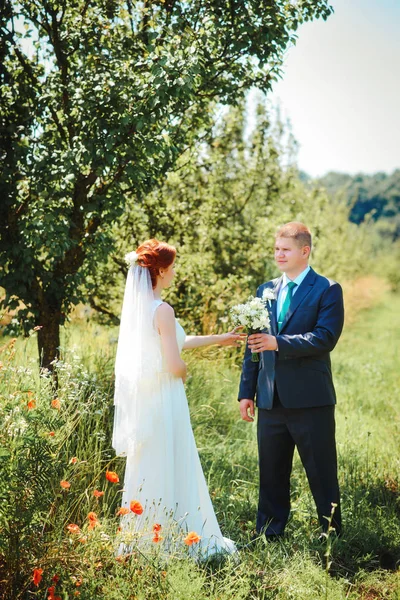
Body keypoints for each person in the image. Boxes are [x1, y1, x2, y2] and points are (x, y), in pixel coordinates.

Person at [112, 239, 243, 557]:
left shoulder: (141, 310)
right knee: (174, 458)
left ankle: (145, 540)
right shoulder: (163, 310)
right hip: (166, 399)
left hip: (147, 400)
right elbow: (173, 362)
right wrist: (184, 372)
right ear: (160, 270)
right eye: (172, 268)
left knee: (151, 463)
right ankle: (179, 538)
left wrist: (220, 339)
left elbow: (177, 341)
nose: (174, 273)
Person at [238, 222, 344, 539]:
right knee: (271, 471)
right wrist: (247, 391)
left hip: (311, 399)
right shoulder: (265, 290)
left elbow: (324, 338)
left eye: (285, 249)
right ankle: (270, 531)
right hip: (270, 397)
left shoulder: (327, 289)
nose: (278, 254)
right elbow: (253, 344)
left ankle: (331, 532)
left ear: (304, 251)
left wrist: (279, 343)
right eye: (276, 249)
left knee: (321, 471)